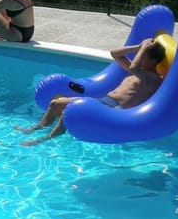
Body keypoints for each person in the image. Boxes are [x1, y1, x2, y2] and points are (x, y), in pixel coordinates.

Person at [15, 38, 166, 144]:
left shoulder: (152, 78)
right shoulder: (139, 72)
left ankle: (46, 139)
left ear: (152, 61)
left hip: (114, 109)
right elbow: (115, 54)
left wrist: (145, 48)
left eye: (142, 55)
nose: (138, 57)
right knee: (55, 104)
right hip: (104, 101)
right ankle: (36, 129)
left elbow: (134, 67)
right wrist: (139, 47)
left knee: (69, 110)